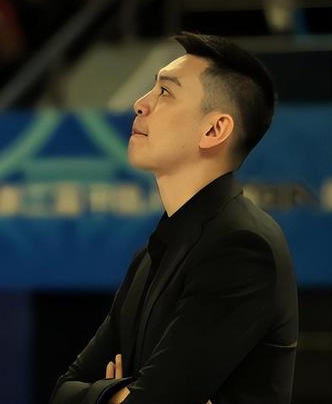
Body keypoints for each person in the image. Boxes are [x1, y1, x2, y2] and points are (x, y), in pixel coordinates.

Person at [50, 33, 298, 404]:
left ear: (214, 130)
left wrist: (107, 392)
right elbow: (63, 391)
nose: (140, 104)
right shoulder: (150, 257)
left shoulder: (242, 247)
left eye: (165, 92)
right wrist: (118, 393)